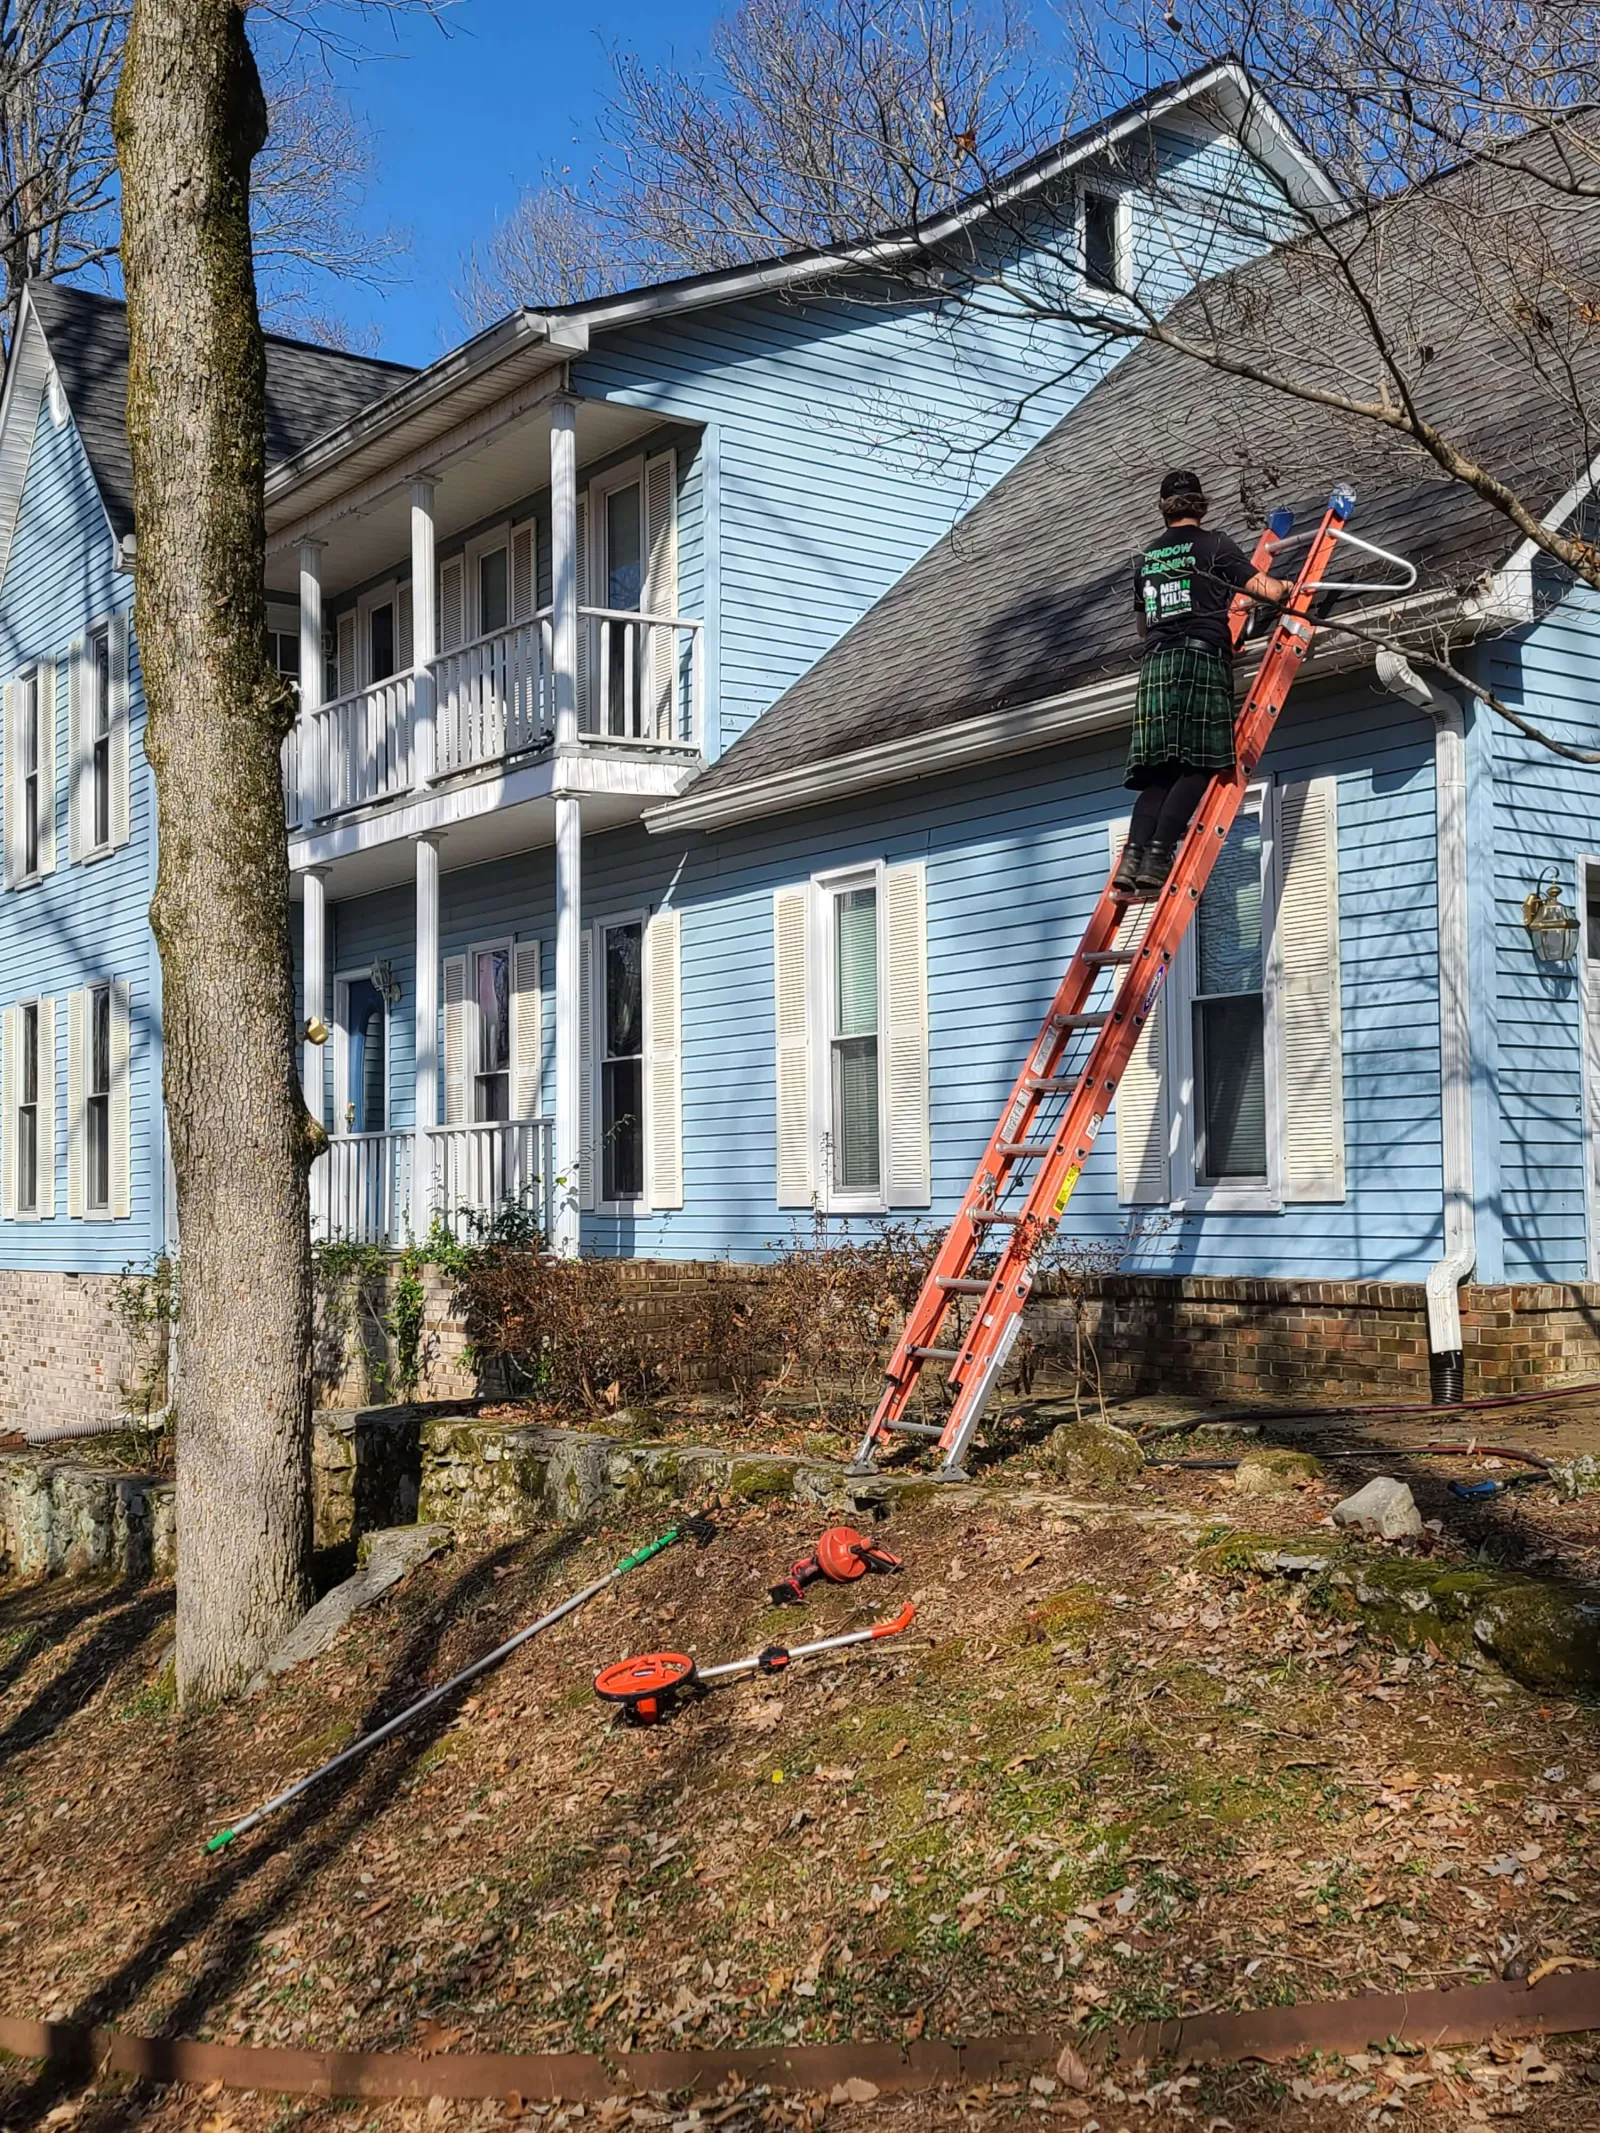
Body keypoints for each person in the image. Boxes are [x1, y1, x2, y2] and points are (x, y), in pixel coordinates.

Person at [1112, 470, 1291, 897]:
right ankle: (1158, 855)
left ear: (1163, 508)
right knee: (1201, 761)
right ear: (1201, 504)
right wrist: (1286, 586)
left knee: (1158, 773)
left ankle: (1133, 858)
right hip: (1199, 656)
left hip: (1156, 663)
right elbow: (1263, 589)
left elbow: (1142, 626)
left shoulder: (1149, 559)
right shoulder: (1215, 546)